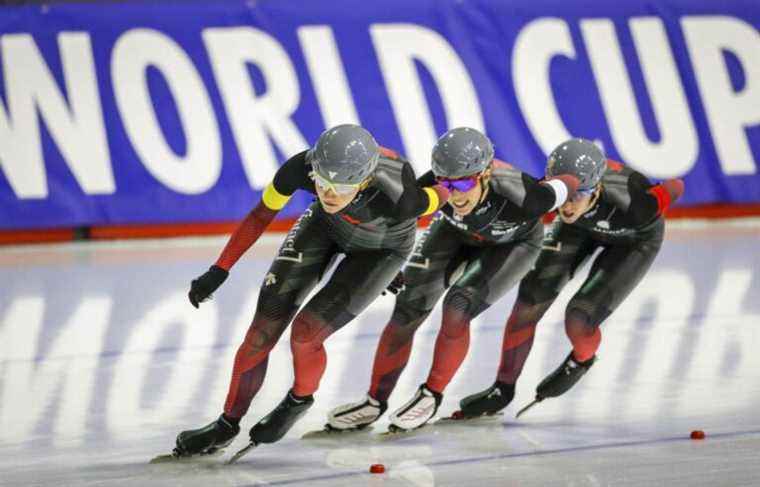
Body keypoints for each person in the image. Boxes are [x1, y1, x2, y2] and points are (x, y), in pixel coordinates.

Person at [168, 124, 449, 458]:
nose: (328, 194)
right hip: (325, 228)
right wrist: (220, 268)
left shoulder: (401, 195)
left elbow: (446, 188)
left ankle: (299, 399)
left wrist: (393, 269)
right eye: (322, 182)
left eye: (340, 187)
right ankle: (226, 424)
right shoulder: (300, 167)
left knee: (305, 335)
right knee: (261, 331)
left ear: (364, 181)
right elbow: (261, 215)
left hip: (382, 251)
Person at [324, 127, 581, 433]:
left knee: (457, 307)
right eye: (447, 183)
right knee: (408, 305)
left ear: (485, 173)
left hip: (513, 244)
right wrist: (386, 263)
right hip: (453, 233)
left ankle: (431, 395)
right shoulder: (434, 185)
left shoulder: (525, 195)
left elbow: (569, 183)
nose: (455, 194)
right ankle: (374, 402)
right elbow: (397, 219)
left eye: (463, 182)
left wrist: (578, 181)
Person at [457, 138, 685, 418]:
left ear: (597, 187)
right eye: (564, 194)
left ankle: (582, 359)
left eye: (578, 195)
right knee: (529, 300)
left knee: (579, 317)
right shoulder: (551, 196)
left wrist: (659, 194)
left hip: (634, 239)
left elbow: (676, 185)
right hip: (577, 229)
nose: (566, 205)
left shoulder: (635, 204)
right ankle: (502, 389)